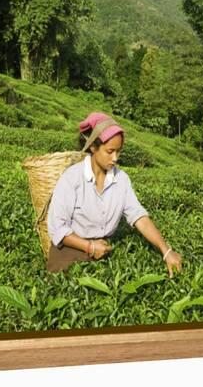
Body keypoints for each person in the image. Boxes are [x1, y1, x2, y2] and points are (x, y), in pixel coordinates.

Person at [46, 112, 182, 276]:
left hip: (104, 247)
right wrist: (89, 246)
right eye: (110, 151)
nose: (115, 158)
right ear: (93, 147)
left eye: (119, 151)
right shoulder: (71, 178)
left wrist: (166, 251)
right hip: (71, 247)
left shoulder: (121, 179)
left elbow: (139, 217)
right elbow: (58, 228)